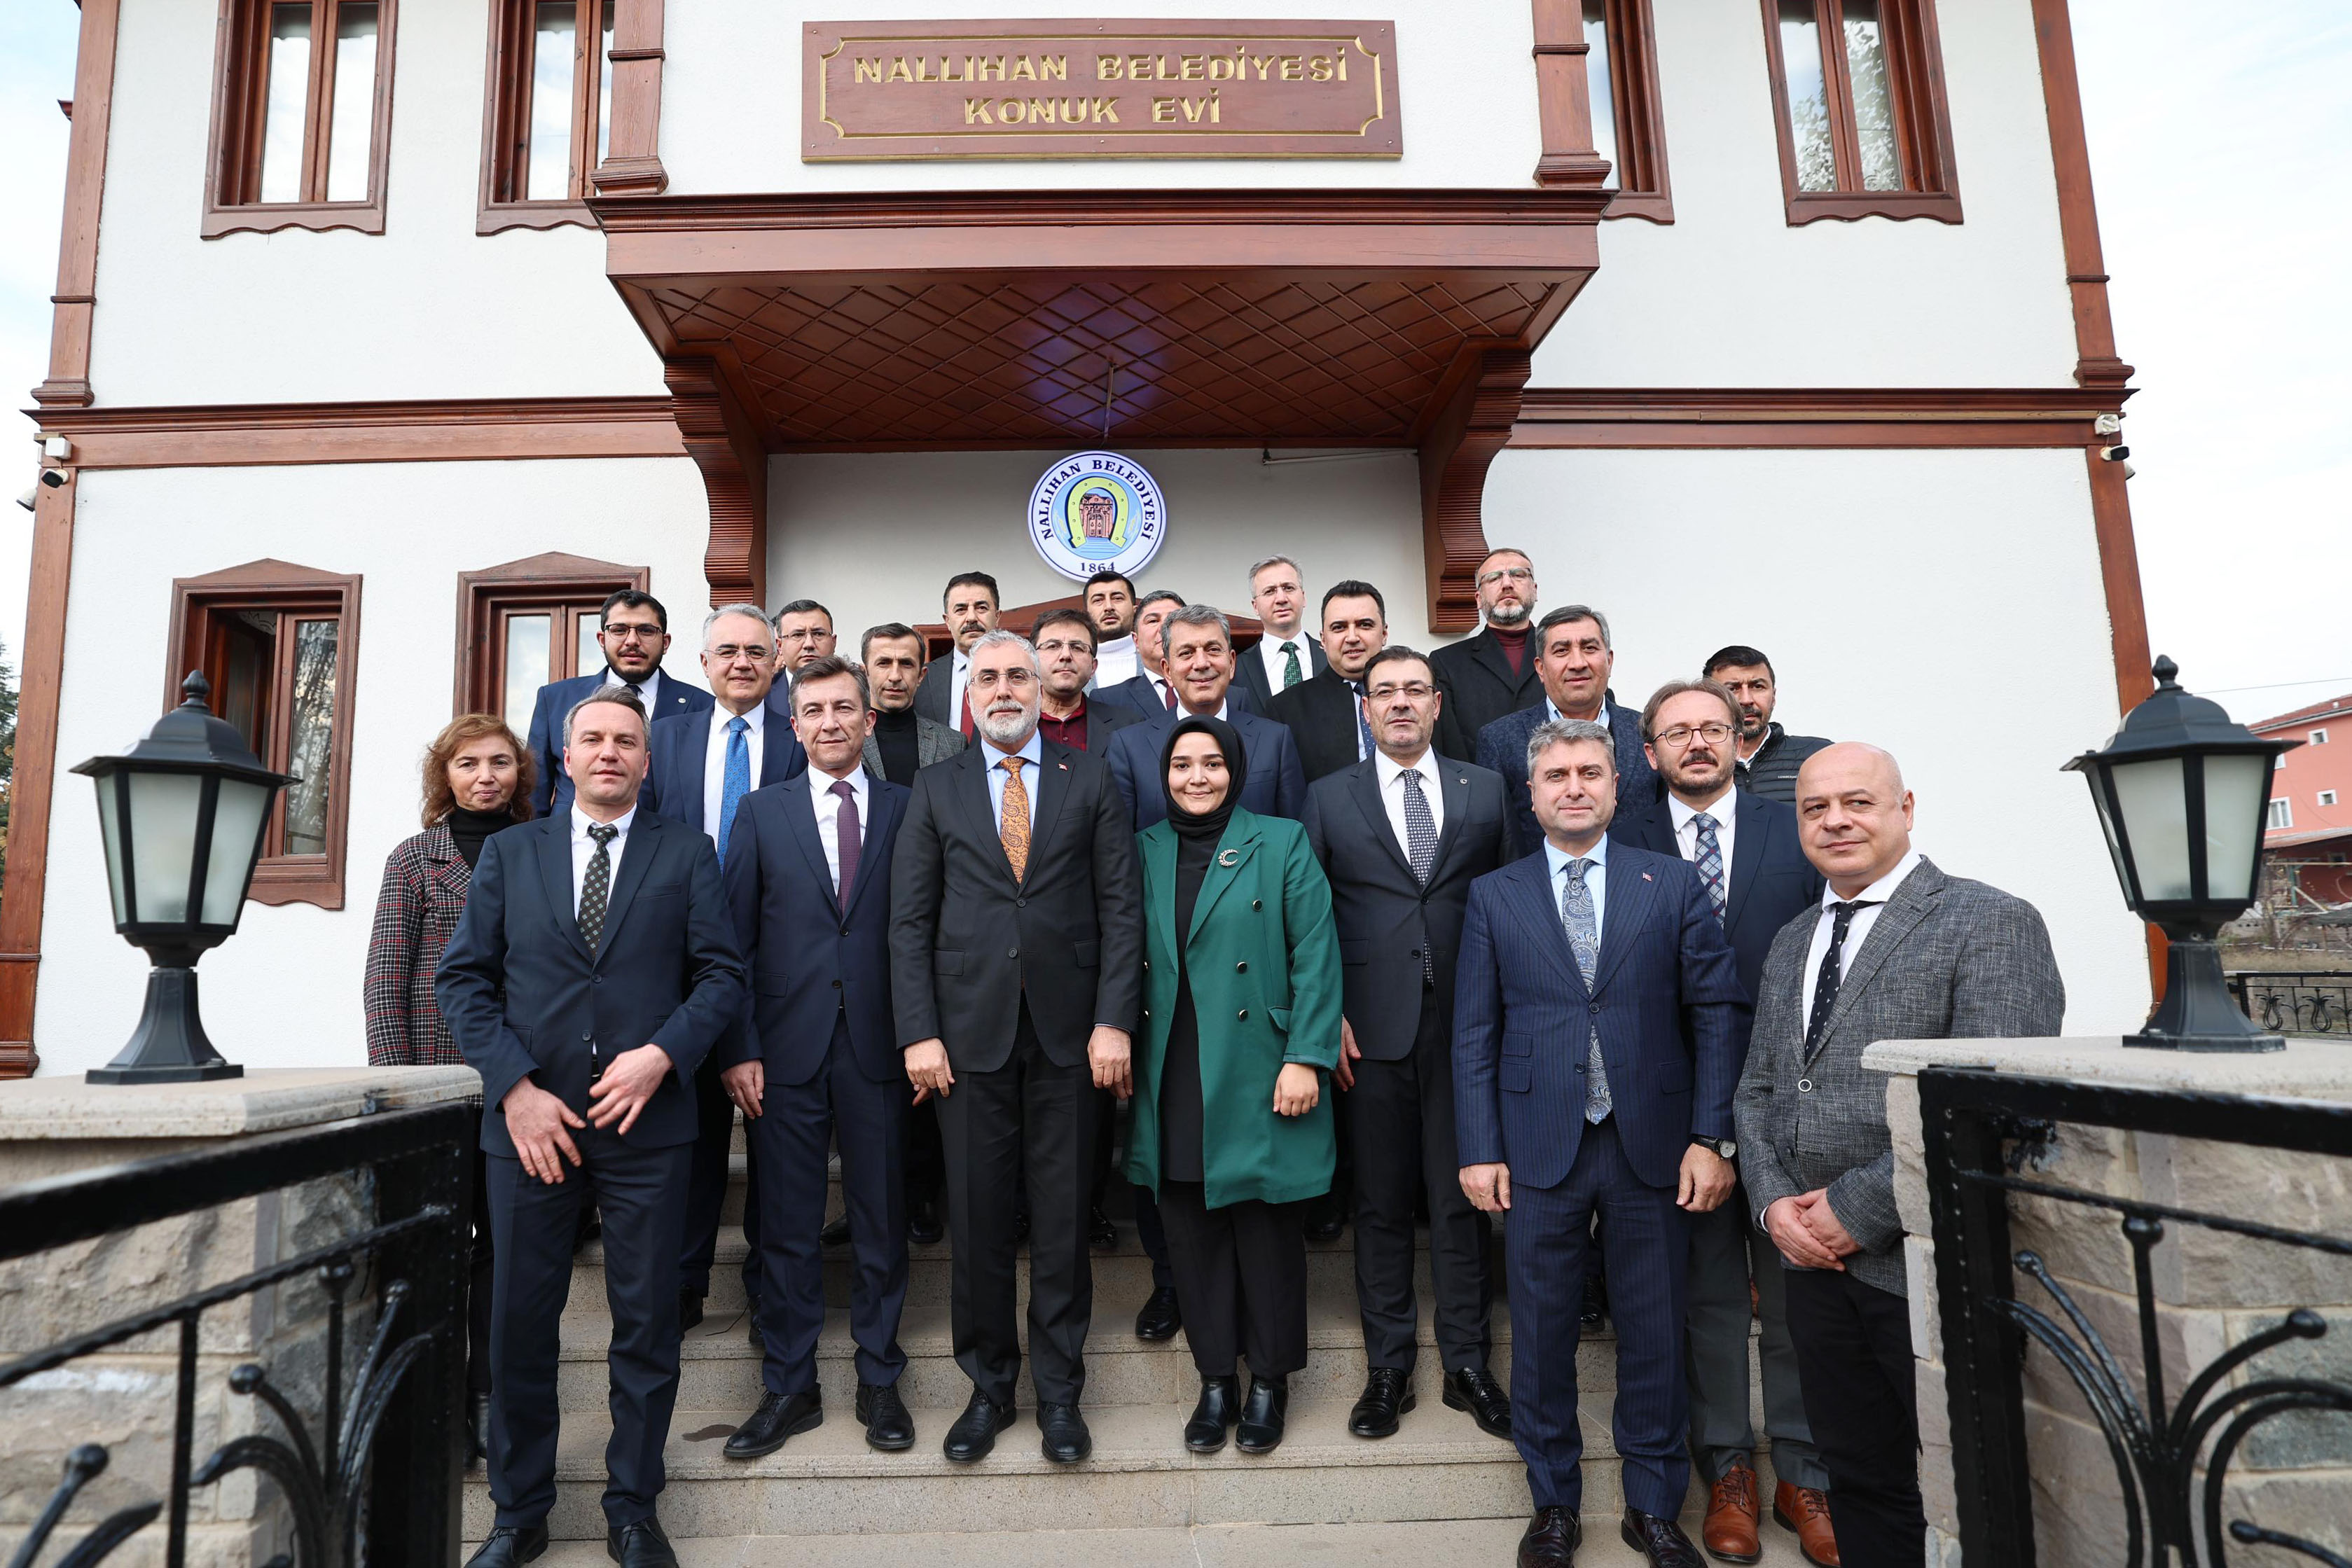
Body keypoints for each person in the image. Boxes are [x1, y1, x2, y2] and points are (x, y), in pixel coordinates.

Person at [1735, 744, 2063, 1568]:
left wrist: (1853, 1210)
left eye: (1857, 802)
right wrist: (1773, 1206)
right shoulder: (1792, 939)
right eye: (1815, 808)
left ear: (1905, 808)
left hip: (1926, 1259)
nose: (1835, 821)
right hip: (1811, 1267)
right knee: (1858, 1477)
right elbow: (1759, 1088)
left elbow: (1991, 1100)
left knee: (1974, 1483)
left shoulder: (1989, 921)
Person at [439, 686, 745, 1568]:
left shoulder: (687, 852)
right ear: (566, 758)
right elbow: (465, 980)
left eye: (626, 741)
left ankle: (633, 1507)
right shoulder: (511, 853)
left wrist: (663, 1055)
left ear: (647, 762)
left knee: (646, 1323)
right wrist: (515, 1088)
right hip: (532, 1129)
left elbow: (721, 975)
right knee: (518, 1325)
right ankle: (518, 1513)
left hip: (648, 1126)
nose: (609, 751)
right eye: (594, 739)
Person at [1455, 719, 1748, 1568]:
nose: (1574, 786)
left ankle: (1653, 1508)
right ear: (1531, 793)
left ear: (1619, 786)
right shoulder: (1496, 894)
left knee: (1654, 1330)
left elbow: (1715, 1013)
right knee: (1541, 1333)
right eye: (1556, 775)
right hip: (1535, 1142)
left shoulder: (1671, 881)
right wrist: (1479, 1146)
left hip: (1651, 1141)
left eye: (1590, 772)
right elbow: (1473, 1031)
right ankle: (1553, 1503)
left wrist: (1711, 1136)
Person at [888, 630, 1144, 1466]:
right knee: (978, 1220)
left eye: (1018, 677)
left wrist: (1115, 1019)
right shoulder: (936, 785)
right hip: (965, 1039)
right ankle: (989, 1389)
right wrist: (919, 1032)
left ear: (1042, 689)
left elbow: (1122, 907)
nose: (1004, 689)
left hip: (1073, 1036)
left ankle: (1060, 1395)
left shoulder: (1089, 776)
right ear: (969, 694)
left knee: (1065, 1222)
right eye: (988, 677)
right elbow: (909, 922)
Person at [1612, 681, 1833, 1567]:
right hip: (1670, 1104)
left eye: (1713, 728)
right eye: (1678, 732)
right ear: (1649, 750)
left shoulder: (1794, 831)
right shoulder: (1622, 835)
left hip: (1789, 1096)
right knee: (1705, 1296)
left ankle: (1803, 1473)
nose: (1697, 743)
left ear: (1741, 739)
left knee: (1792, 1291)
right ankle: (1727, 1468)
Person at [1303, 647, 1512, 1444]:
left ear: (1435, 702)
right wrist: (1325, 1017)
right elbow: (1308, 916)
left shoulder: (1485, 788)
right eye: (1383, 691)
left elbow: (1511, 899)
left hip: (1469, 1025)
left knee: (1463, 1198)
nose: (1399, 702)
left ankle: (1467, 1364)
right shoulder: (1329, 795)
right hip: (1368, 1028)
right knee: (1382, 1203)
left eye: (1413, 690)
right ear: (1366, 707)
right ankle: (1387, 1367)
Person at [716, 657, 915, 1459]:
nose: (830, 721)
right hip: (782, 1051)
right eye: (814, 710)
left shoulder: (908, 808)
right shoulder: (760, 813)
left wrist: (922, 1037)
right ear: (793, 725)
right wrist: (738, 1047)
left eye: (843, 707)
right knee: (788, 1226)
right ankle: (789, 1384)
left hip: (882, 1046)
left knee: (880, 1219)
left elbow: (926, 931)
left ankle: (880, 1375)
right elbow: (732, 942)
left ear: (869, 719)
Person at [1126, 716, 1342, 1456]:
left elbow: (1316, 952)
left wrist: (1307, 1056)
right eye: (1182, 764)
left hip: (1261, 1060)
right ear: (1164, 776)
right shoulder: (1143, 848)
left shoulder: (1280, 840)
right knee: (1190, 1232)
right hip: (1172, 1064)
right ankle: (1215, 1379)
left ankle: (1270, 1383)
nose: (1197, 777)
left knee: (1266, 1231)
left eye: (1212, 763)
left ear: (1236, 771)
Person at [364, 713, 535, 1465]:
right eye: (469, 763)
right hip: (437, 1082)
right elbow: (385, 981)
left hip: (521, 1082)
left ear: (519, 774)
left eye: (500, 762)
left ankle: (488, 1398)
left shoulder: (540, 848)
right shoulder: (415, 859)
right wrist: (402, 1090)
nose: (485, 776)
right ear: (446, 775)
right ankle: (437, 1410)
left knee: (503, 1248)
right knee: (437, 1243)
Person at [642, 604, 808, 1338]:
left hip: (777, 963)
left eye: (756, 651)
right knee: (694, 1132)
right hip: (678, 965)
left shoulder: (801, 736)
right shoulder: (664, 738)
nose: (742, 662)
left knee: (774, 1134)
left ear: (777, 661)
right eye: (728, 651)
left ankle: (765, 1283)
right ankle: (685, 1281)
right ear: (703, 663)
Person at [1479, 604, 1660, 860]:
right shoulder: (1499, 740)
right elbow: (1496, 840)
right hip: (1540, 883)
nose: (1577, 663)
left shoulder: (1649, 731)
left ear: (1609, 661)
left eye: (1589, 648)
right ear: (1540, 668)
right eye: (1562, 651)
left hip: (1640, 880)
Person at [1105, 606, 1306, 828]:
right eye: (1186, 653)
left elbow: (1294, 831)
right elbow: (1121, 839)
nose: (1201, 663)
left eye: (1213, 650)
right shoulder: (1130, 747)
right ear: (1168, 671)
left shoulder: (1275, 740)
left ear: (1232, 663)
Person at [525, 588, 713, 817]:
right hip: (570, 837)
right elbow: (533, 794)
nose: (632, 641)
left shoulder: (703, 706)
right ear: (602, 639)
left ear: (665, 643)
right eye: (619, 630)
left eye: (646, 631)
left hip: (669, 836)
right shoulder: (555, 699)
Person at [1266, 580, 1388, 782]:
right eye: (1339, 628)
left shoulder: (1419, 696)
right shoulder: (1286, 710)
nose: (1352, 637)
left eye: (1364, 625)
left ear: (1384, 633)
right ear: (1323, 639)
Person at [1431, 548, 1544, 761]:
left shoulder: (1561, 654)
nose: (1507, 584)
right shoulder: (1446, 663)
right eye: (1493, 578)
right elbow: (1448, 743)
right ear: (1479, 599)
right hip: (1479, 779)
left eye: (1518, 575)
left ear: (1535, 590)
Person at [1704, 646, 1832, 807]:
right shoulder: (1693, 761)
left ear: (1773, 696)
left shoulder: (1818, 756)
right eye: (1732, 689)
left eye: (1757, 686)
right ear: (1707, 699)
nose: (1746, 700)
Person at [860, 623, 968, 792]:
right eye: (884, 663)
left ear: (921, 676)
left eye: (906, 664)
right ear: (865, 672)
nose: (895, 676)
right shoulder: (844, 739)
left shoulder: (953, 744)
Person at [1034, 607, 1146, 756]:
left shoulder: (1129, 726)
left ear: (1093, 667)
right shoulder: (1013, 722)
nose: (1066, 655)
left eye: (1077, 648)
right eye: (1053, 646)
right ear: (1032, 662)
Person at [913, 572, 1001, 735]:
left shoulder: (1020, 675)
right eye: (961, 610)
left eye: (981, 608)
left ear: (997, 617)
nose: (971, 618)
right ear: (947, 621)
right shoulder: (922, 678)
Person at [1236, 555, 1328, 707]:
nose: (1281, 599)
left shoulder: (1331, 657)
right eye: (1269, 591)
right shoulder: (1237, 669)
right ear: (1255, 606)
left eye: (1288, 588)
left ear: (1303, 597)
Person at [1095, 588, 1188, 714]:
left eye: (1172, 620)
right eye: (1153, 621)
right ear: (1136, 641)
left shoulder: (1214, 687)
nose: (1164, 627)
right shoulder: (1109, 700)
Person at [1083, 569, 1143, 688]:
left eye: (1117, 598)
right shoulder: (1076, 665)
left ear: (1135, 611)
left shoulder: (1156, 660)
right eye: (1098, 600)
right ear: (1087, 614)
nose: (1109, 607)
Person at [772, 599, 838, 674]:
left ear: (833, 642)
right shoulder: (766, 682)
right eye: (798, 635)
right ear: (780, 645)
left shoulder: (848, 681)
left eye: (818, 634)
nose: (809, 644)